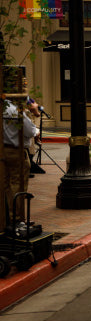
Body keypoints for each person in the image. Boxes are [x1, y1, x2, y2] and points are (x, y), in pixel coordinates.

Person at [2, 99, 40, 230]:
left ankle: (7, 218)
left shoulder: (4, 107)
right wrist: (35, 113)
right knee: (18, 185)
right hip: (17, 151)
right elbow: (31, 131)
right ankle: (17, 220)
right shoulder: (15, 110)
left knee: (6, 185)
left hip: (3, 150)